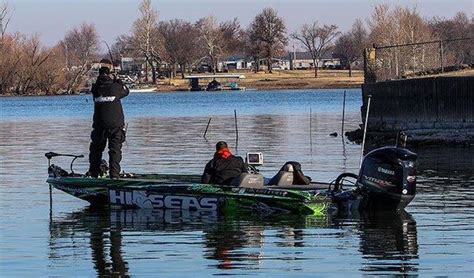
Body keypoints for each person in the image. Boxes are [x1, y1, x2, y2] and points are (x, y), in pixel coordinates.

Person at [88, 59, 129, 179]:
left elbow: (99, 83)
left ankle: (93, 174)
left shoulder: (95, 89)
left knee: (96, 151)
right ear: (111, 73)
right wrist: (118, 80)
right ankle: (114, 176)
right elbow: (126, 91)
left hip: (99, 125)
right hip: (115, 125)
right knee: (114, 151)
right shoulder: (116, 87)